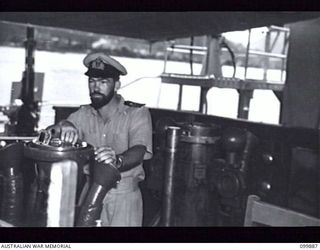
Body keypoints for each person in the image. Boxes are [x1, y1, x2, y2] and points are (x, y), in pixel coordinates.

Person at [49, 52, 153, 226]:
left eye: (103, 82)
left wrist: (117, 160)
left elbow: (139, 150)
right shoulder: (82, 115)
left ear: (117, 85)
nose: (95, 87)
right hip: (89, 192)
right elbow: (48, 135)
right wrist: (64, 124)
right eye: (92, 81)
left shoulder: (137, 114)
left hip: (123, 198)